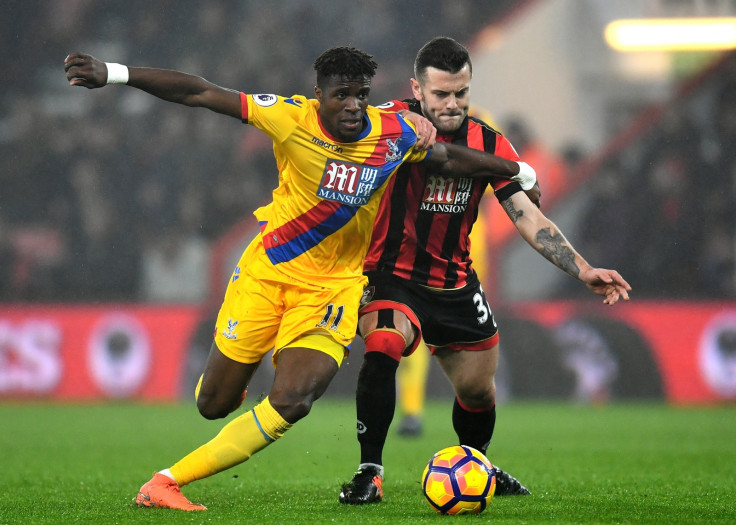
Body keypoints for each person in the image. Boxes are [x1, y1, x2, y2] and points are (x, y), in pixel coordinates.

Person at [64, 46, 537, 511]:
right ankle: (236, 380)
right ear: (319, 96)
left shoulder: (394, 133)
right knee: (213, 403)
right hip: (266, 276)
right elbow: (200, 93)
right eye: (341, 96)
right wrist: (115, 72)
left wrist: (514, 169)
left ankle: (167, 482)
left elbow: (448, 160)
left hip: (334, 289)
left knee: (294, 399)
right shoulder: (289, 118)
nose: (353, 106)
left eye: (361, 95)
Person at [338, 37, 631, 505]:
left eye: (461, 93)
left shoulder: (489, 143)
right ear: (418, 89)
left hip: (455, 282)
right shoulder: (391, 121)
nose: (451, 105)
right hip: (392, 275)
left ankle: (477, 467)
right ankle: (368, 471)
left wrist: (583, 270)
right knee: (384, 343)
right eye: (440, 95)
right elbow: (356, 123)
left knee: (477, 390)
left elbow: (527, 215)